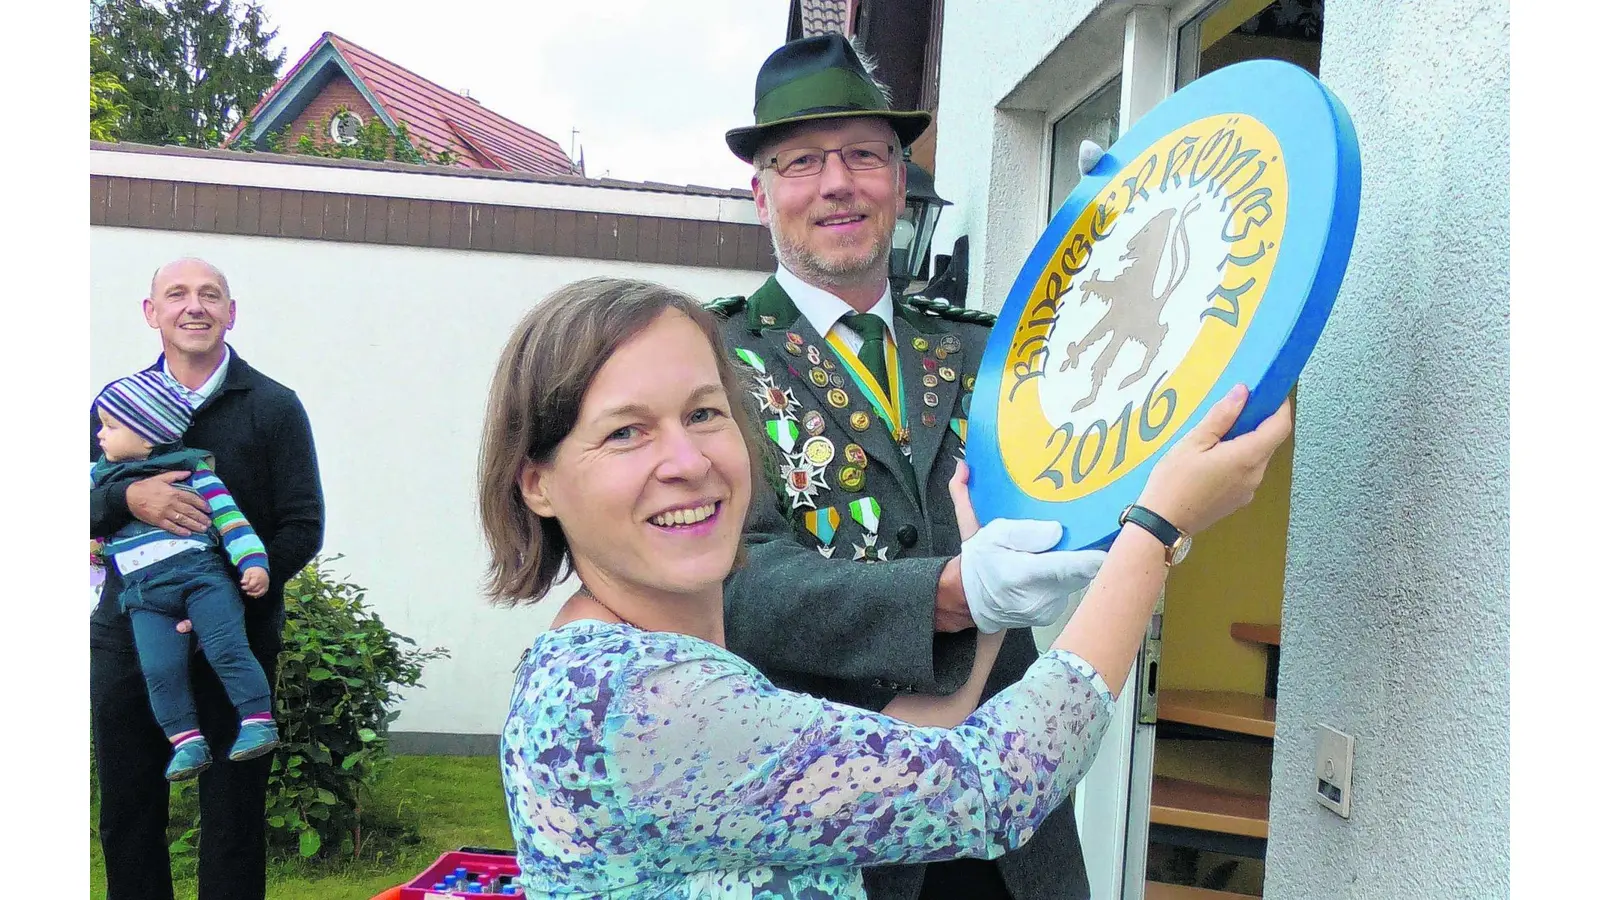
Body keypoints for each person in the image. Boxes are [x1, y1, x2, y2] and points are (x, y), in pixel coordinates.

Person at [480, 276, 1292, 899]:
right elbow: (992, 784)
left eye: (704, 413)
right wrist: (1155, 531)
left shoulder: (607, 661)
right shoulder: (640, 701)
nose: (687, 460)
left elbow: (909, 746)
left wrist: (990, 603)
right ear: (537, 483)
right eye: (626, 432)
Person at [709, 35, 1103, 899]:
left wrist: (1126, 252)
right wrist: (948, 593)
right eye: (802, 160)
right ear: (761, 191)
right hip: (837, 828)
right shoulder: (713, 363)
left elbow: (1113, 419)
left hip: (1011, 826)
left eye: (863, 154)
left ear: (898, 176)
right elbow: (735, 578)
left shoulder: (989, 346)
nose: (837, 182)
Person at [90, 257, 325, 900]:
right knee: (130, 805)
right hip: (129, 630)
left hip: (234, 633)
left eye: (209, 295)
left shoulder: (273, 406)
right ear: (151, 312)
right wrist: (132, 501)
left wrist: (221, 595)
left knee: (232, 811)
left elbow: (302, 526)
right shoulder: (112, 408)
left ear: (230, 312)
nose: (194, 306)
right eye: (177, 294)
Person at [92, 370, 280, 782]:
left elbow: (232, 522)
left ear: (148, 436)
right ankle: (186, 740)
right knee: (159, 669)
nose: (100, 435)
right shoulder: (97, 479)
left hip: (202, 581)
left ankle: (257, 719)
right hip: (144, 597)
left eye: (110, 425)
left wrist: (253, 563)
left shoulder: (195, 473)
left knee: (226, 647)